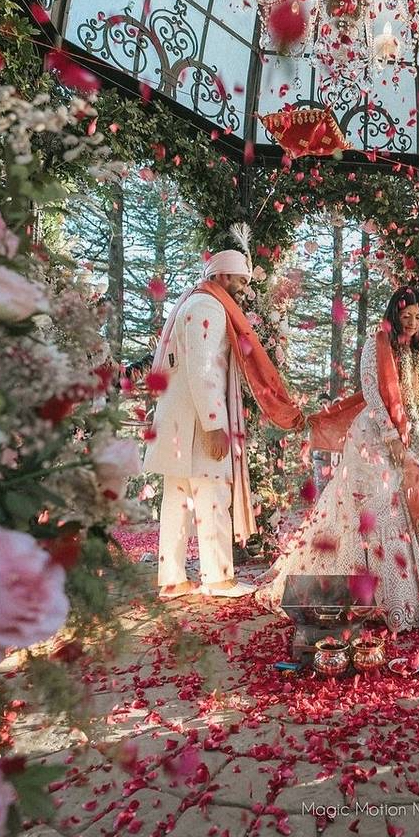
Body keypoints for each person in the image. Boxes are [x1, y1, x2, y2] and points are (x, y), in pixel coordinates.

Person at [255, 286, 419, 632]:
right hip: (373, 437)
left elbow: (417, 400)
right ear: (394, 315)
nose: (412, 322)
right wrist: (392, 439)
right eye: (406, 316)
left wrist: (417, 438)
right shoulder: (376, 343)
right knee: (378, 506)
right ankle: (372, 597)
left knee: (417, 500)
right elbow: (372, 394)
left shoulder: (416, 350)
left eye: (418, 317)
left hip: (406, 435)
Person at [144, 249, 304, 599]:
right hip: (198, 425)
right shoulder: (208, 307)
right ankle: (217, 578)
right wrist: (215, 424)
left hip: (180, 421)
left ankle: (172, 579)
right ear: (221, 276)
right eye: (240, 280)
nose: (244, 289)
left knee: (177, 500)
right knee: (212, 495)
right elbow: (204, 370)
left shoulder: (192, 302)